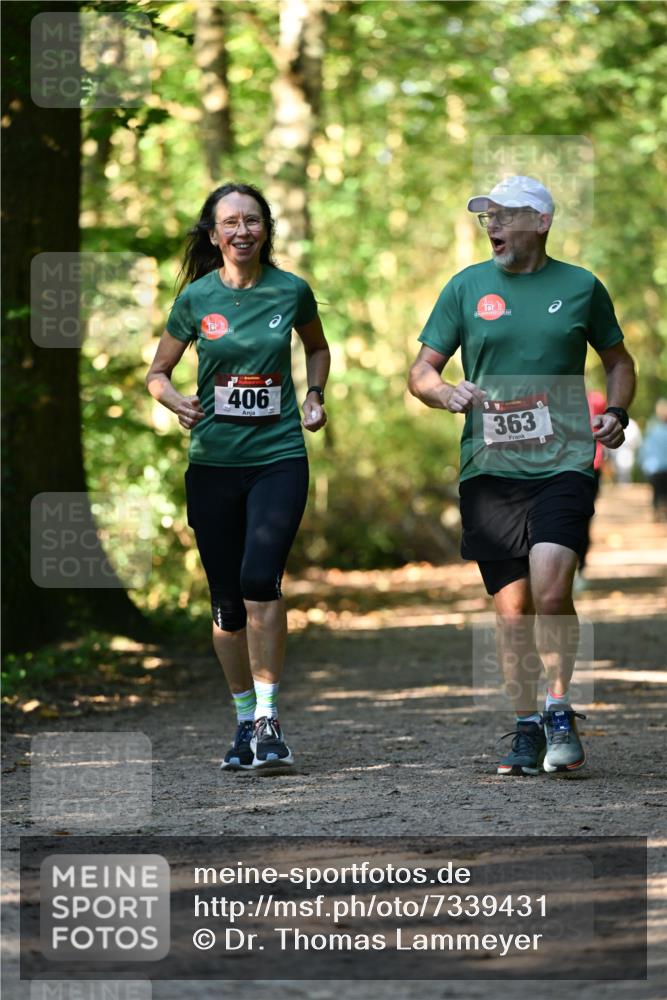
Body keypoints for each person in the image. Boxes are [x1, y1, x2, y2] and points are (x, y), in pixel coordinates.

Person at [408, 175, 636, 776]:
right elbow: (421, 371)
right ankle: (525, 725)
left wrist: (615, 412)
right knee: (512, 612)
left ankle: (559, 709)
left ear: (541, 222)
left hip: (563, 459)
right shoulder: (465, 288)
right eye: (486, 217)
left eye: (504, 215)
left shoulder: (582, 287)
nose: (492, 225)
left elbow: (618, 361)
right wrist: (444, 393)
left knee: (553, 588)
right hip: (490, 468)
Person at [147, 182, 330, 771]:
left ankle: (271, 719)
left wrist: (315, 397)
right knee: (226, 602)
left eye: (252, 220)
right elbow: (158, 372)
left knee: (260, 579)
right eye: (231, 222)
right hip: (213, 465)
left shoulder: (291, 291)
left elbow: (317, 349)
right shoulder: (197, 300)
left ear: (266, 229)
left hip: (278, 457)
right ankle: (243, 718)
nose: (242, 231)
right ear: (213, 233)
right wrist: (175, 400)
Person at [639, 398, 667, 519]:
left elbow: (644, 449)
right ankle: (661, 512)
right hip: (661, 467)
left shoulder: (652, 429)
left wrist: (643, 464)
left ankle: (657, 512)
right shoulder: (653, 428)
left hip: (654, 468)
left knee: (657, 492)